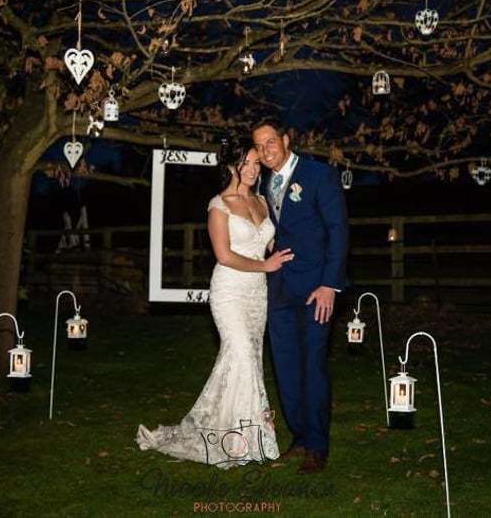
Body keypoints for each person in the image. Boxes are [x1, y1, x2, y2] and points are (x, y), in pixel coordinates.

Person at [136, 137, 293, 468]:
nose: (252, 169)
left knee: (248, 361)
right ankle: (238, 439)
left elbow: (272, 244)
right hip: (229, 291)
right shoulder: (219, 205)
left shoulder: (263, 202)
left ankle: (238, 434)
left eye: (256, 163)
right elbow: (224, 255)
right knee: (242, 353)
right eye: (245, 163)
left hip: (257, 294)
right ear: (231, 166)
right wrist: (265, 266)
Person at [252, 117, 349, 474]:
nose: (265, 151)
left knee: (313, 366)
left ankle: (317, 447)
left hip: (316, 290)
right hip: (279, 290)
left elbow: (337, 230)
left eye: (270, 142)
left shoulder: (319, 175)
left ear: (286, 140)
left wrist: (330, 285)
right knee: (286, 368)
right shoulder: (262, 183)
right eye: (259, 146)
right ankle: (300, 437)